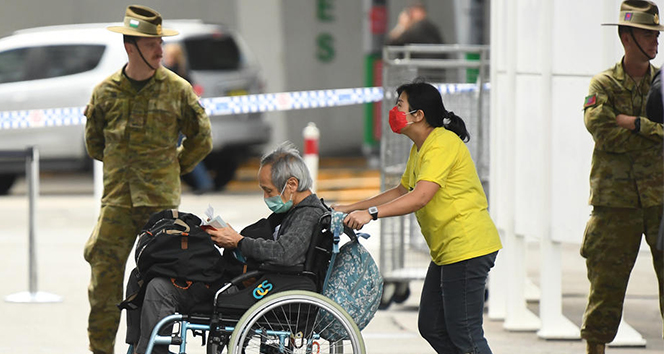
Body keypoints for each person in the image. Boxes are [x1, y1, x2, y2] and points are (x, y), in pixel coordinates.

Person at [333, 80, 502, 354]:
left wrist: (371, 215)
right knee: (432, 325)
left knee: (466, 336)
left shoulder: (442, 144)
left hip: (468, 247)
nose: (394, 111)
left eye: (400, 105)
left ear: (418, 115)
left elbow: (420, 196)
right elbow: (401, 191)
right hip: (448, 251)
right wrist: (350, 208)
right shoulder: (420, 147)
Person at [83, 5, 213, 354]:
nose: (161, 49)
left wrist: (174, 167)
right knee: (104, 285)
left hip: (159, 206)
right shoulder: (104, 93)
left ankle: (148, 349)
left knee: (159, 285)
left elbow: (202, 139)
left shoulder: (178, 90)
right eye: (152, 42)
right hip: (117, 204)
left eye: (160, 41)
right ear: (131, 45)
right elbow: (94, 144)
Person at [125, 141, 327, 354]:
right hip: (246, 280)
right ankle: (143, 348)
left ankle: (149, 350)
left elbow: (285, 254)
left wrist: (238, 241)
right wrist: (230, 238)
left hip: (248, 289)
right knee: (144, 276)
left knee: (158, 286)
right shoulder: (295, 212)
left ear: (292, 185)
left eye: (268, 191)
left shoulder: (307, 215)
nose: (266, 198)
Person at [581, 1, 664, 353]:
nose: (656, 41)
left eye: (657, 34)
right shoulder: (603, 83)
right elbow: (603, 131)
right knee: (605, 291)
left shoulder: (662, 83)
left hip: (661, 201)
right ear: (626, 37)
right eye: (649, 34)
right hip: (615, 204)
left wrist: (634, 123)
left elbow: (620, 130)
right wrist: (656, 130)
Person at [162, 42, 215, 194]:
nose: (165, 58)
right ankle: (202, 182)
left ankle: (203, 183)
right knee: (187, 151)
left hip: (174, 120)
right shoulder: (185, 72)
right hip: (185, 117)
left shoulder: (170, 73)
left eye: (168, 55)